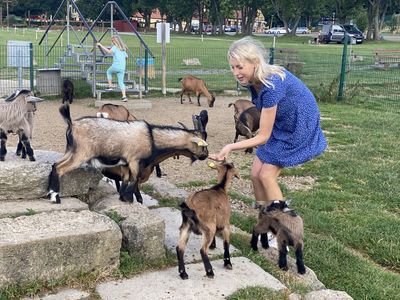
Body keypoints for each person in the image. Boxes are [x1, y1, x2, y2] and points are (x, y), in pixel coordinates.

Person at [209, 37, 327, 206]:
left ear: (255, 62)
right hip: (283, 124)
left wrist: (229, 147)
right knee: (256, 173)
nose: (236, 72)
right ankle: (264, 216)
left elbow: (263, 137)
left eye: (240, 67)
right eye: (232, 67)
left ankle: (282, 224)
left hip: (299, 126)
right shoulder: (253, 81)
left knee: (266, 175)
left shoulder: (271, 85)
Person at [96, 35, 128, 102]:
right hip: (122, 68)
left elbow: (108, 52)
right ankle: (124, 96)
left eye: (112, 41)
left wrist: (100, 45)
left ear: (114, 41)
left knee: (108, 72)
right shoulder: (123, 48)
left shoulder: (115, 47)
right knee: (121, 82)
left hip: (116, 66)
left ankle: (110, 86)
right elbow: (126, 57)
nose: (112, 42)